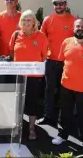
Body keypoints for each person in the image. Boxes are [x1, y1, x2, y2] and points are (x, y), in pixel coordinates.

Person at [51, 18, 83, 150]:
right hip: (66, 86)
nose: (80, 28)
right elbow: (62, 60)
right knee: (64, 113)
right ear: (73, 28)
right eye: (77, 26)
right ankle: (62, 135)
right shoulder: (66, 42)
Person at [9, 10, 48, 140]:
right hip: (18, 75)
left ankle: (31, 128)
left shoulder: (41, 36)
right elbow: (11, 53)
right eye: (24, 20)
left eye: (29, 20)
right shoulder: (15, 35)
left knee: (32, 103)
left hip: (34, 77)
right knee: (17, 102)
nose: (26, 22)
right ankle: (16, 126)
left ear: (34, 23)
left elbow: (44, 56)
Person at [38, 0, 76, 127]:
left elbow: (77, 42)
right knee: (49, 89)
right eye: (56, 4)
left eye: (61, 3)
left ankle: (63, 120)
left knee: (65, 92)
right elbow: (41, 39)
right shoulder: (48, 20)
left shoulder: (73, 20)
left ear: (66, 5)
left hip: (66, 63)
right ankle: (48, 116)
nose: (59, 6)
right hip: (50, 61)